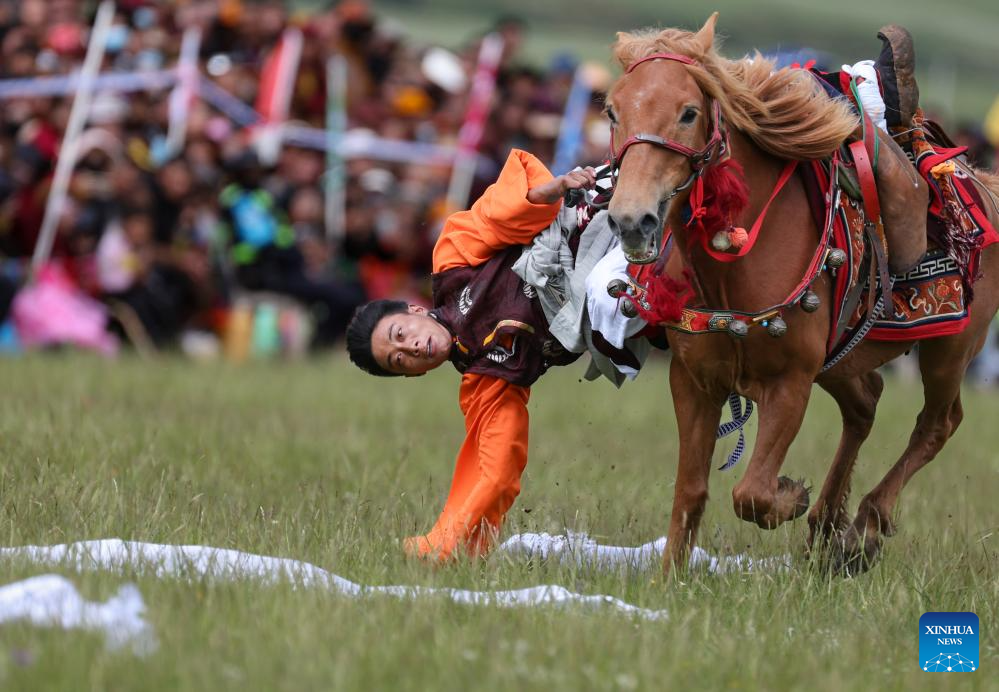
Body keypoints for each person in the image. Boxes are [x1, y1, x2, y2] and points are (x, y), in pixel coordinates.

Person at [346, 150, 648, 562]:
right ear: (412, 375)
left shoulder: (452, 262)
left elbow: (499, 212)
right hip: (618, 291)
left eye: (400, 334)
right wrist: (446, 545)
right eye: (399, 360)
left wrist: (555, 188)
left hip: (596, 211)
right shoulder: (486, 379)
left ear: (412, 309)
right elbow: (493, 471)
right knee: (611, 302)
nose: (410, 348)